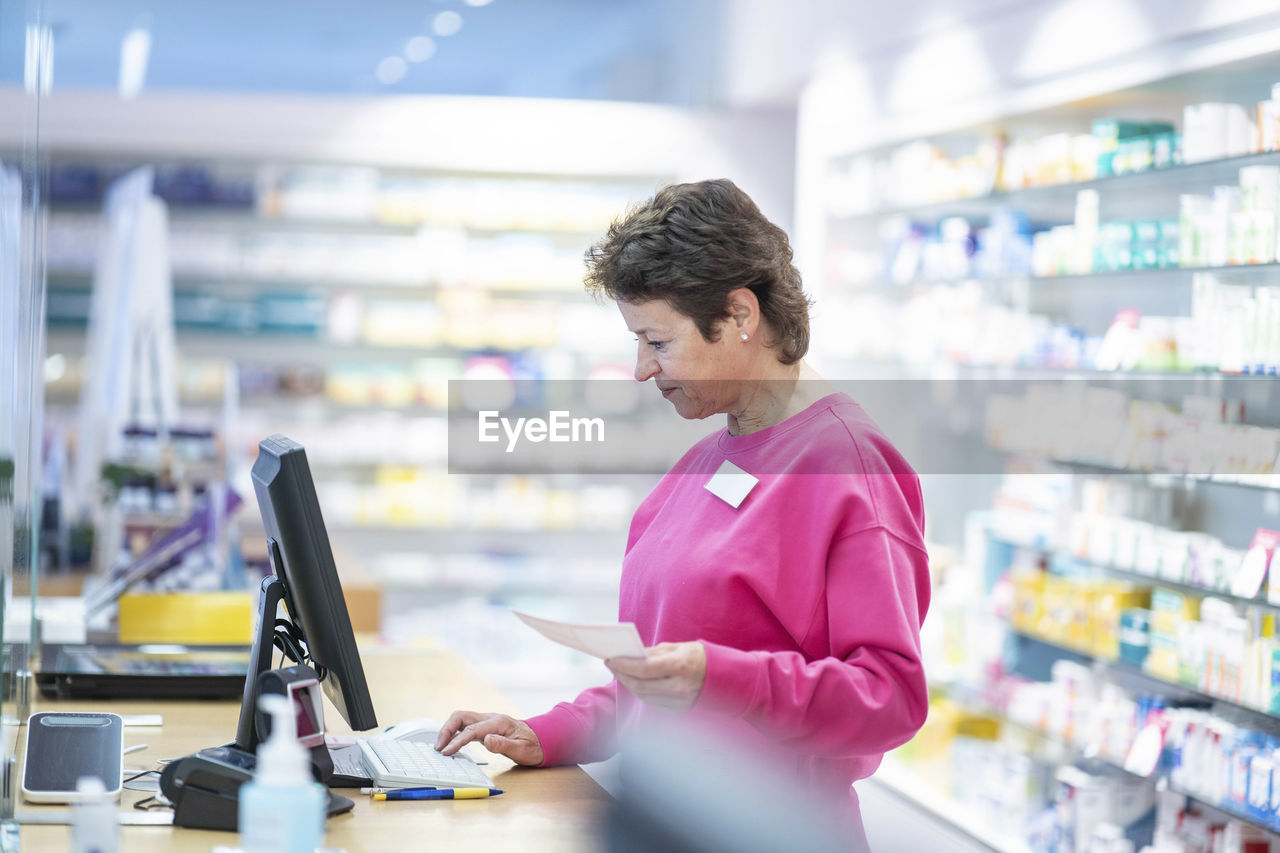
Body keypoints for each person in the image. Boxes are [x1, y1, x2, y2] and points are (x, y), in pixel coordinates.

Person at [435, 178, 930, 847]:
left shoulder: (847, 465)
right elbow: (662, 675)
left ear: (740, 314)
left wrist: (721, 676)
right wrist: (545, 731)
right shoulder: (709, 459)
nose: (642, 368)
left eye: (657, 342)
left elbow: (891, 697)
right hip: (669, 820)